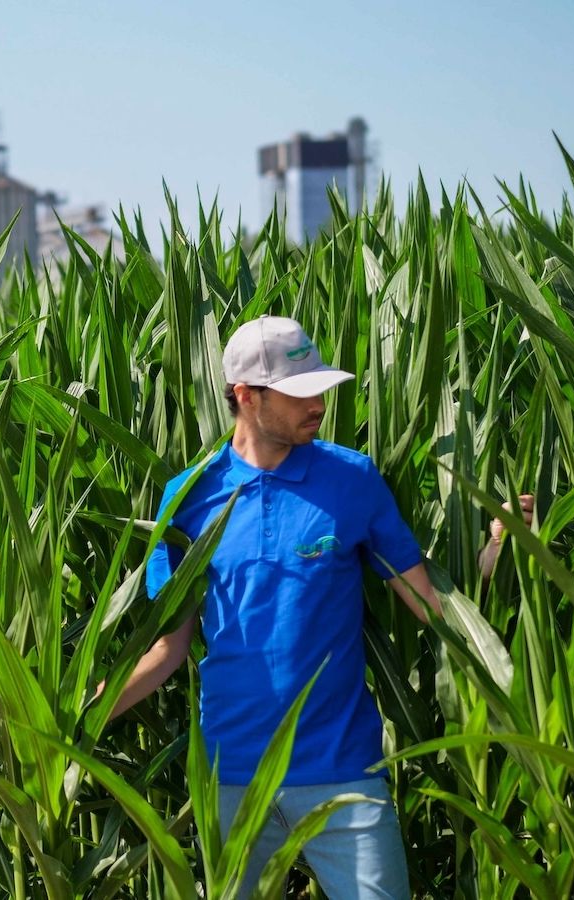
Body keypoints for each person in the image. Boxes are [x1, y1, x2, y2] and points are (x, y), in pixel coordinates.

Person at [107, 315, 441, 899]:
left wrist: (502, 550)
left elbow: (431, 604)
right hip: (232, 778)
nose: (318, 405)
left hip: (342, 772)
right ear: (245, 395)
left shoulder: (351, 480)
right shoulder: (189, 498)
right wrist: (87, 715)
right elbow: (168, 647)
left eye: (320, 389)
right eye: (299, 393)